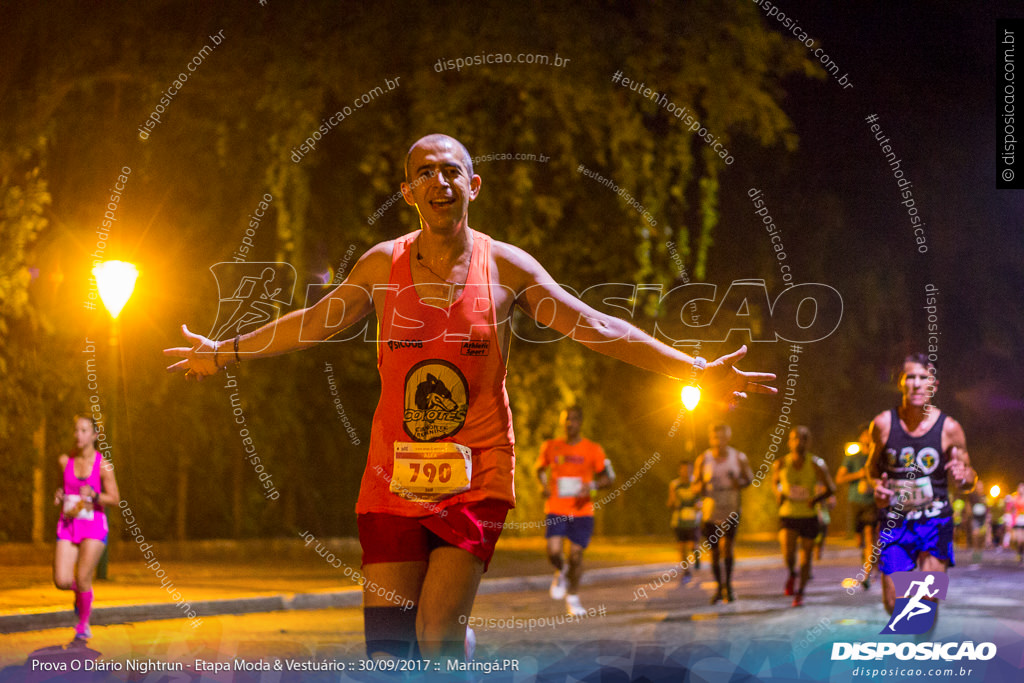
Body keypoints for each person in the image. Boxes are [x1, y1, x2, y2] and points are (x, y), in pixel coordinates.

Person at [164, 133, 776, 661]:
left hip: (476, 472)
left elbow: (601, 327)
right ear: (408, 192)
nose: (439, 180)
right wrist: (223, 351)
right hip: (391, 476)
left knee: (433, 635)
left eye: (450, 169)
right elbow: (311, 323)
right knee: (388, 650)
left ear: (473, 185)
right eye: (424, 172)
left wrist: (693, 368)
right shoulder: (381, 266)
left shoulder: (506, 268)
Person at [867, 353, 976, 618]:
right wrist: (875, 487)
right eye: (910, 377)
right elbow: (871, 469)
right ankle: (914, 634)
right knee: (894, 604)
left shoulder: (950, 428)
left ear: (934, 385)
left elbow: (970, 478)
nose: (916, 384)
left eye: (923, 378)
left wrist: (964, 478)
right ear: (901, 383)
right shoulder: (882, 424)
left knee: (928, 600)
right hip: (895, 522)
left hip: (935, 521)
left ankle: (919, 649)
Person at [534, 405, 613, 615]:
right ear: (562, 422)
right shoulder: (551, 446)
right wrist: (543, 486)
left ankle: (573, 597)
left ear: (581, 422)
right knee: (553, 551)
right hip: (557, 507)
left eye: (575, 419)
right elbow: (540, 469)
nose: (570, 423)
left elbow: (609, 477)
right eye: (567, 419)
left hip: (582, 510)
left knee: (576, 556)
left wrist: (593, 486)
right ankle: (561, 570)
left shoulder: (593, 449)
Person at [53, 415, 120, 641]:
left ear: (94, 435)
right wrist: (59, 494)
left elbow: (115, 498)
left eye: (83, 430)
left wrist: (95, 495)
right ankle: (81, 596)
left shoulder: (103, 465)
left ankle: (83, 623)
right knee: (61, 580)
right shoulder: (65, 461)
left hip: (93, 526)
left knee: (83, 577)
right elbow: (64, 488)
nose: (78, 435)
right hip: (69, 523)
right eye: (76, 430)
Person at [772, 426, 835, 607]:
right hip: (788, 514)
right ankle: (792, 573)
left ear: (809, 442)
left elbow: (831, 488)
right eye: (795, 438)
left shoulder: (816, 464)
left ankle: (800, 593)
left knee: (806, 557)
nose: (799, 441)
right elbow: (775, 483)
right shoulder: (781, 464)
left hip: (808, 516)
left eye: (804, 438)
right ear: (789, 442)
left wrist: (815, 499)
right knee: (788, 552)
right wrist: (778, 493)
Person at [692, 423, 753, 604]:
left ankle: (729, 587)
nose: (717, 441)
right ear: (710, 438)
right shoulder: (703, 459)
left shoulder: (738, 457)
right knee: (715, 552)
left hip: (731, 508)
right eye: (714, 437)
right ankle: (719, 588)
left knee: (728, 548)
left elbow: (749, 479)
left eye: (721, 437)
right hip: (711, 510)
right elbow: (694, 485)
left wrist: (739, 483)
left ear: (728, 438)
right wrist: (701, 486)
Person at [835, 427, 877, 589]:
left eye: (871, 435)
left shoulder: (877, 458)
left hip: (871, 503)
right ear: (861, 437)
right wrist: (858, 475)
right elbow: (839, 478)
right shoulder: (852, 458)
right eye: (865, 434)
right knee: (859, 540)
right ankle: (868, 559)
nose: (868, 438)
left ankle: (867, 574)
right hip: (855, 502)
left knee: (869, 537)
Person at [667, 460, 701, 583]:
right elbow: (670, 502)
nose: (686, 472)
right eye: (683, 469)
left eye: (688, 469)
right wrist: (673, 504)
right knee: (682, 548)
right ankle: (686, 572)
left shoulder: (696, 483)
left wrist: (699, 505)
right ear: (679, 470)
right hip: (679, 520)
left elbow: (701, 500)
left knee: (693, 545)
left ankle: (696, 554)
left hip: (693, 520)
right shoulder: (674, 484)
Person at [1006, 482, 1024, 562]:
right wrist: (1009, 521)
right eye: (1020, 487)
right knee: (1017, 539)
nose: (1021, 489)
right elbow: (1010, 510)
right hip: (1017, 521)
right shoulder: (1014, 498)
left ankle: (1020, 553)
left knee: (1022, 540)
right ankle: (1018, 553)